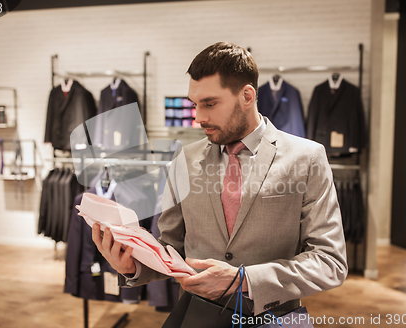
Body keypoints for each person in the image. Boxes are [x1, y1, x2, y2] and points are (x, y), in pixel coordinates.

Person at [92, 41, 348, 317]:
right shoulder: (184, 160)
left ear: (247, 96)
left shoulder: (307, 157)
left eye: (210, 104)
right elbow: (171, 248)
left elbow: (329, 261)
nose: (198, 117)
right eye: (194, 104)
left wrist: (246, 279)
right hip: (197, 316)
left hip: (275, 317)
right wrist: (133, 266)